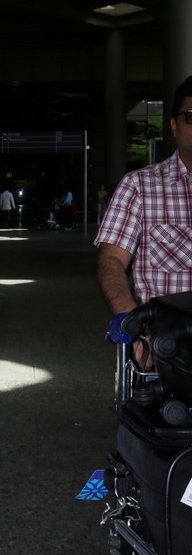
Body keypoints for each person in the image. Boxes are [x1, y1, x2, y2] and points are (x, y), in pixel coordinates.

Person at [95, 75, 192, 361]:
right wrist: (134, 326)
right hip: (167, 354)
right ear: (174, 126)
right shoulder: (140, 186)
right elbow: (111, 260)